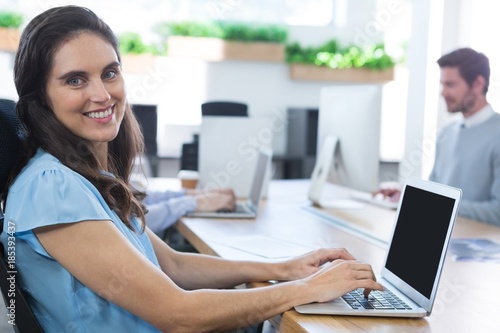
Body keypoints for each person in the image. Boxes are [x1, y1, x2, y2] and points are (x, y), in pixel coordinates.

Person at [0, 6, 382, 332]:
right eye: (75, 80)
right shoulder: (52, 186)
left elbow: (173, 264)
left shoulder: (82, 177)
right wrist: (308, 289)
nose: (102, 94)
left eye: (110, 72)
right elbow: (177, 314)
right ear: (40, 99)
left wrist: (287, 269)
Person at [379, 47, 500, 226]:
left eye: (450, 85)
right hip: (441, 239)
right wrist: (407, 196)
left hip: (478, 249)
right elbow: (435, 194)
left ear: (478, 84)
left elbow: (497, 213)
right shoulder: (447, 132)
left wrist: (440, 204)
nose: (443, 93)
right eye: (443, 84)